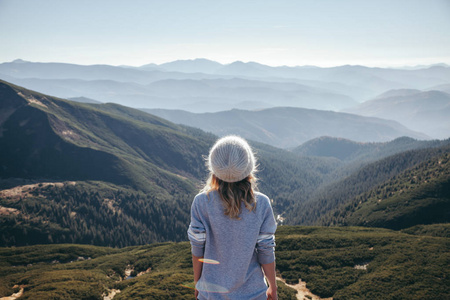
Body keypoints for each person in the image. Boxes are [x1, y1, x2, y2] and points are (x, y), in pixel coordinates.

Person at [188, 135, 277, 300]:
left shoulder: (201, 203)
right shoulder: (262, 203)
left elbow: (197, 248)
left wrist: (197, 283)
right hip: (253, 294)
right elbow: (266, 249)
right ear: (249, 167)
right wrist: (273, 287)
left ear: (214, 168)